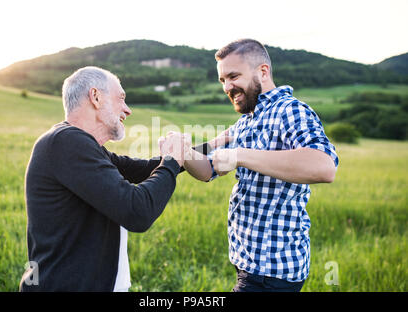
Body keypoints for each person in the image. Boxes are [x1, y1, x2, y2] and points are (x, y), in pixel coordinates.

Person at [183, 39, 339, 292]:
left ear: (263, 72)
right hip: (249, 264)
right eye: (222, 80)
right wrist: (181, 152)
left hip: (273, 271)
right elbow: (207, 170)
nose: (227, 87)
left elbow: (324, 167)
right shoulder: (246, 122)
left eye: (233, 76)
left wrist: (240, 155)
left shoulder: (291, 111)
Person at [19, 66, 189, 291]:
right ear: (96, 97)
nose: (128, 110)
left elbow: (143, 169)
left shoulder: (82, 145)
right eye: (121, 98)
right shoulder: (66, 143)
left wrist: (213, 148)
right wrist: (171, 160)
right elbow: (137, 211)